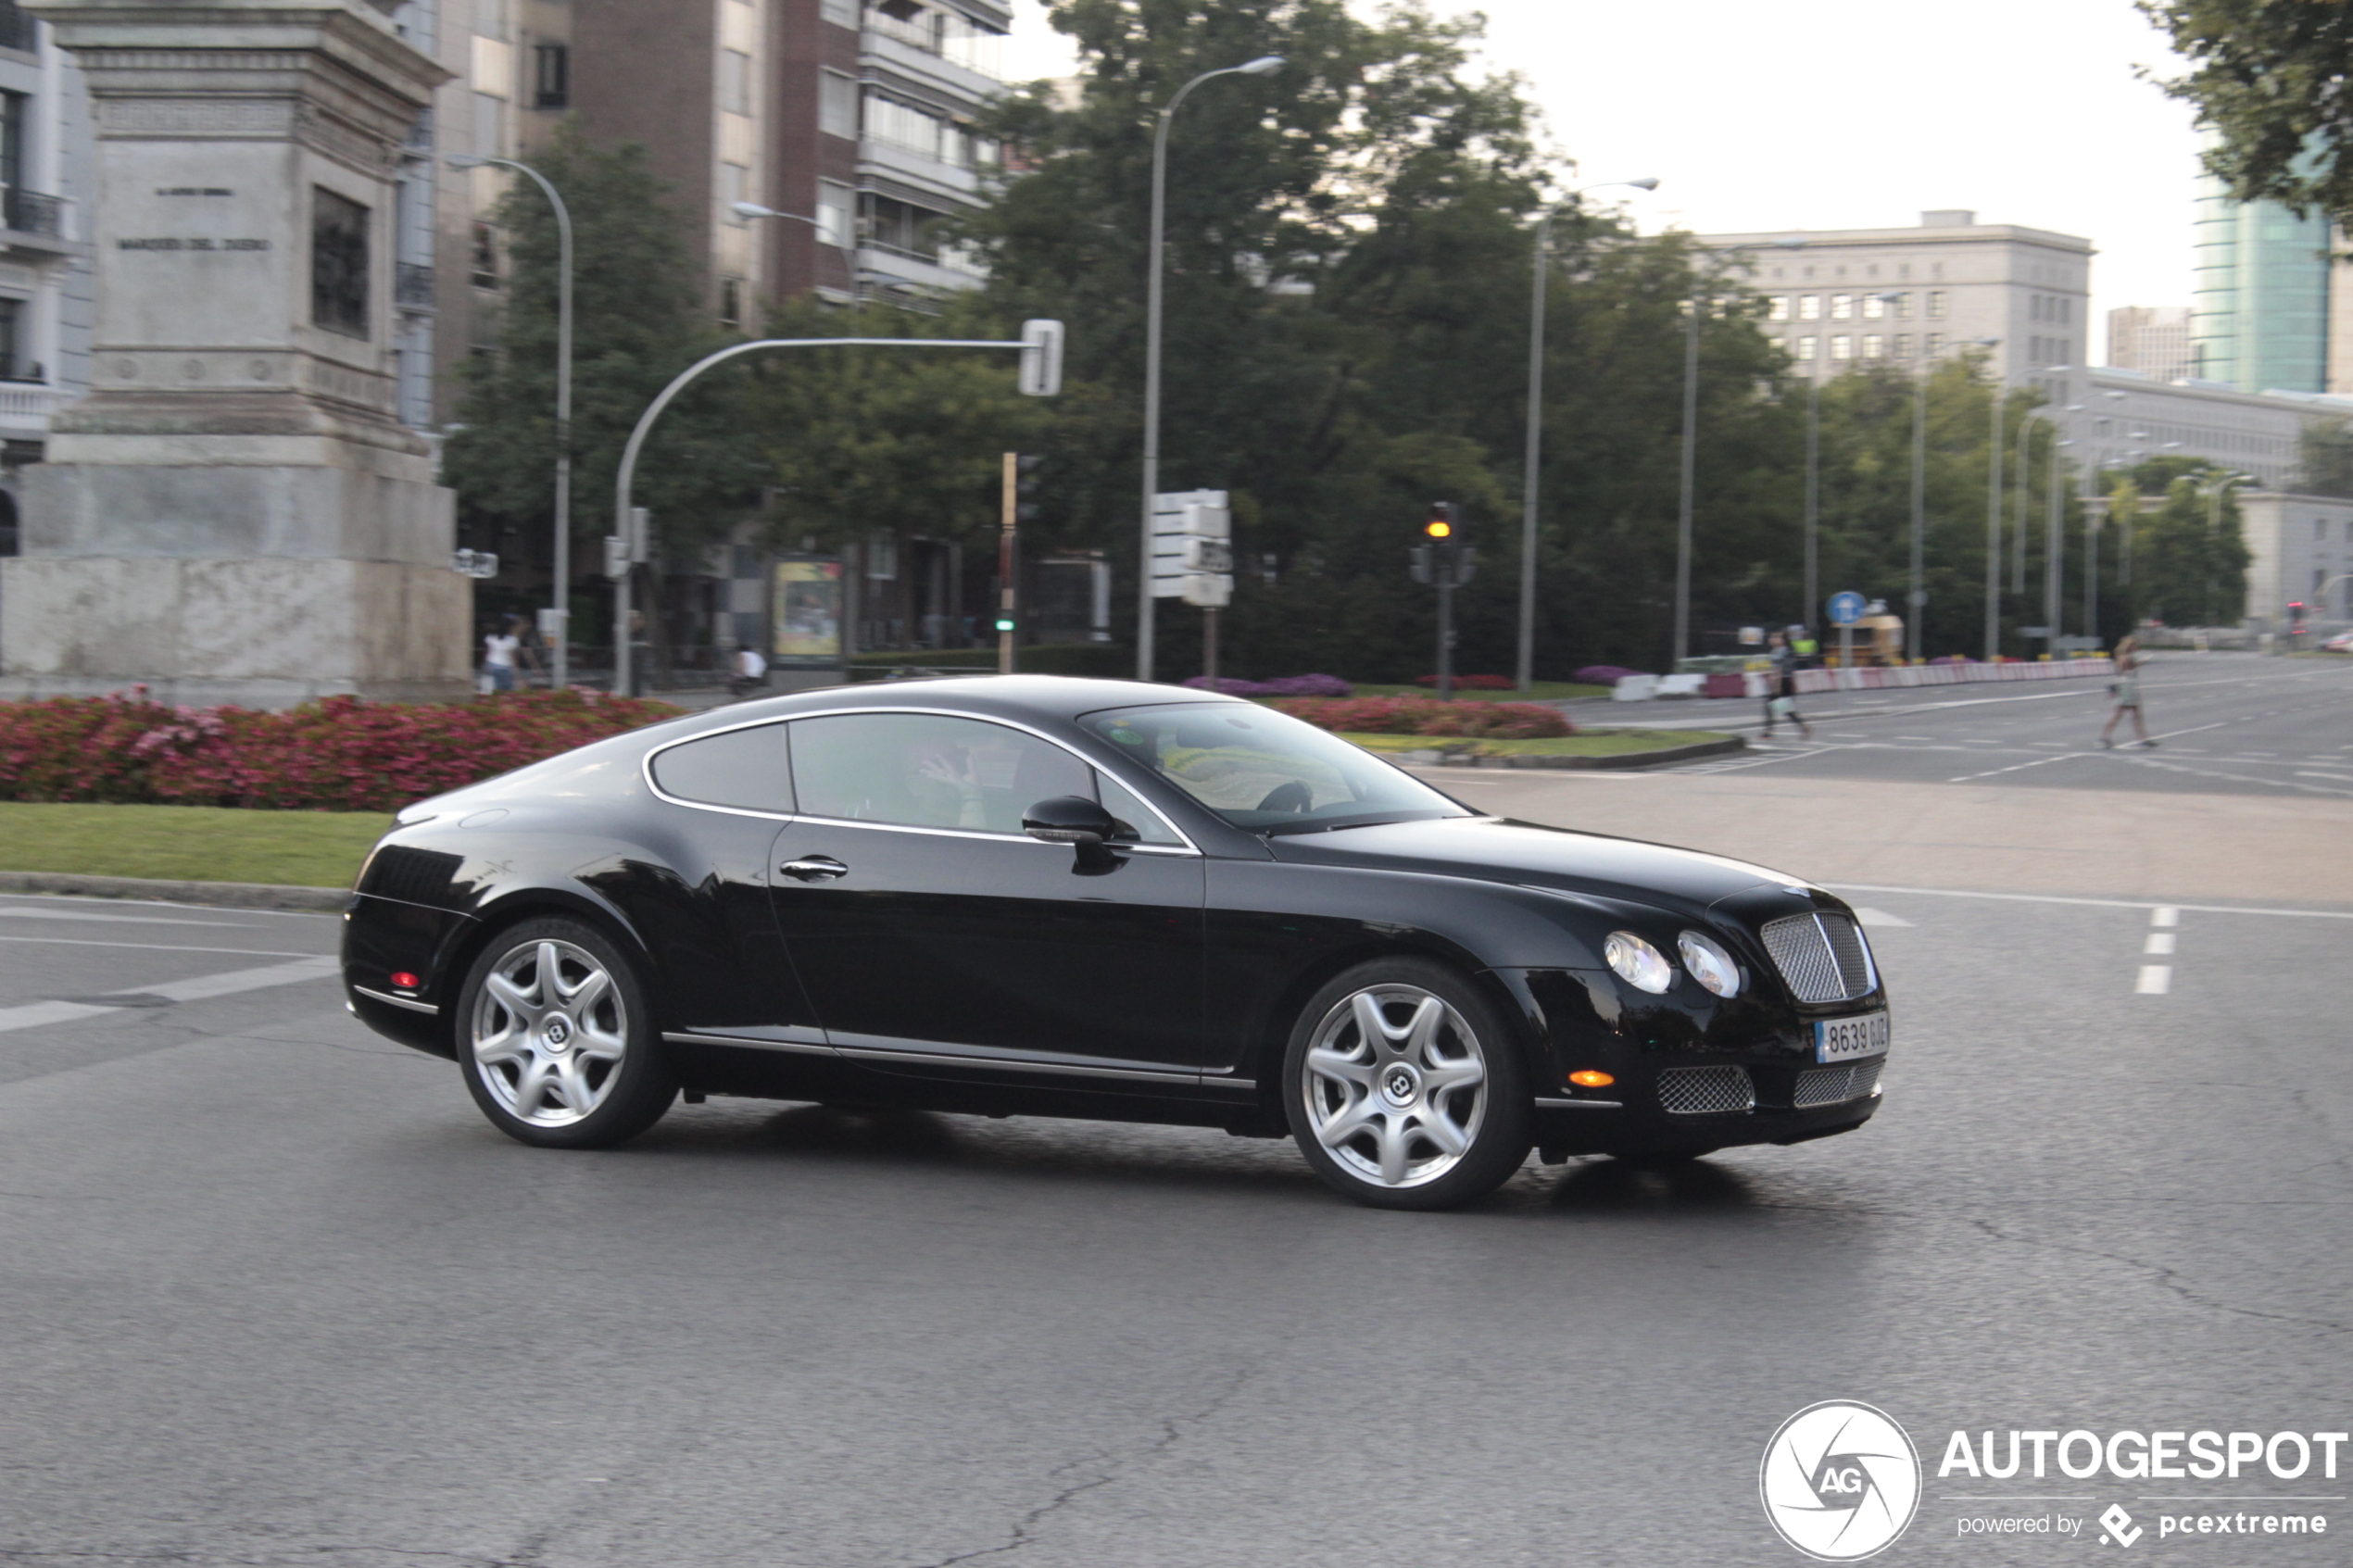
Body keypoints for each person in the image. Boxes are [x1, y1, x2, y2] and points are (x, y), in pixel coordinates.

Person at [2099, 633, 2154, 748]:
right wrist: (2141, 661)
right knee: (2119, 715)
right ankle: (2104, 738)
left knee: (2136, 715)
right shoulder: (2126, 657)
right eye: (2134, 645)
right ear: (2130, 646)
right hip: (2127, 687)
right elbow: (2128, 668)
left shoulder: (2125, 656)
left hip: (2129, 686)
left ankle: (2143, 739)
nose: (2136, 647)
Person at [1761, 631, 1814, 740]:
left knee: (1778, 706)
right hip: (1776, 681)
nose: (1773, 640)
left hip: (1784, 681)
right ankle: (1803, 727)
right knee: (1779, 707)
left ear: (1783, 640)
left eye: (1776, 637)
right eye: (1772, 637)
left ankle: (1769, 731)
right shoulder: (1774, 651)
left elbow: (1787, 667)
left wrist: (1776, 675)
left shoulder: (1787, 652)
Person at [481, 616, 524, 694]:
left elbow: (487, 653)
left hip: (490, 664)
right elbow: (513, 658)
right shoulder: (513, 640)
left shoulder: (490, 637)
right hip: (504, 667)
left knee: (491, 690)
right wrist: (517, 675)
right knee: (506, 691)